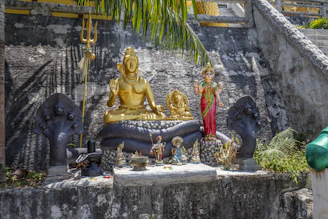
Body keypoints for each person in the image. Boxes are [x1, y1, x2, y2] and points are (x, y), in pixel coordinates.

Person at [104, 47, 166, 123]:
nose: (131, 64)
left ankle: (135, 117)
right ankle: (137, 117)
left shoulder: (144, 82)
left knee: (162, 115)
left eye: (133, 61)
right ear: (124, 65)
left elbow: (152, 104)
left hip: (141, 111)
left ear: (137, 64)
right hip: (124, 111)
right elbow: (110, 104)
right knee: (108, 116)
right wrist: (114, 94)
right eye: (128, 61)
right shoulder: (118, 82)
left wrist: (156, 107)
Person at [194, 63, 224, 140]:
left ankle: (212, 134)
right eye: (207, 74)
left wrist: (219, 101)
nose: (208, 75)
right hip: (204, 101)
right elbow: (199, 93)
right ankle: (207, 134)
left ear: (213, 75)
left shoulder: (214, 84)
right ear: (204, 75)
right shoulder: (202, 83)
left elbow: (217, 92)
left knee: (212, 117)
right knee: (206, 117)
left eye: (210, 74)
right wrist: (197, 86)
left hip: (212, 101)